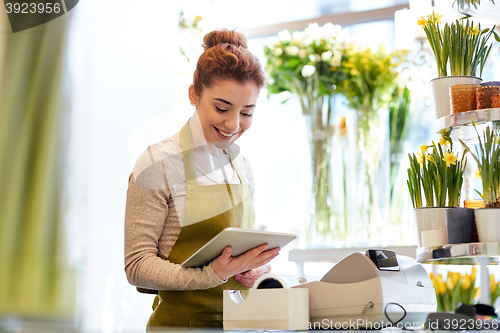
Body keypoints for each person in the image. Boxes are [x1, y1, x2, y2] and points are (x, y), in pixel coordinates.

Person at [124, 29, 280, 328]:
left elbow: (238, 251)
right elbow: (137, 265)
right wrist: (211, 276)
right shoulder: (158, 164)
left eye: (247, 112)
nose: (234, 124)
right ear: (194, 95)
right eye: (221, 108)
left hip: (240, 324)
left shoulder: (242, 166)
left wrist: (254, 270)